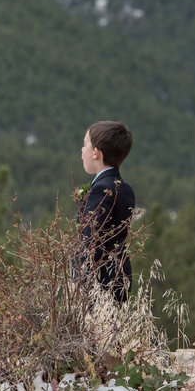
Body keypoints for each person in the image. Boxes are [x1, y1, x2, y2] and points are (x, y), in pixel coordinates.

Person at [77, 120, 136, 302]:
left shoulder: (99, 190)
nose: (81, 149)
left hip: (98, 280)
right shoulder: (125, 188)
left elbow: (91, 239)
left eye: (85, 143)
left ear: (96, 153)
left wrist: (79, 280)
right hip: (120, 274)